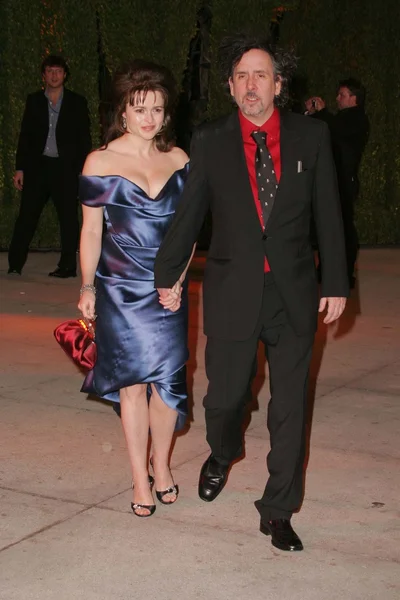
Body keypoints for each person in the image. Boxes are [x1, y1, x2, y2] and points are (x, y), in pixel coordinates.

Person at [154, 34, 349, 551]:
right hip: (232, 290)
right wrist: (164, 273)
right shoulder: (212, 139)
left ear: (278, 84)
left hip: (293, 293)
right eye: (241, 76)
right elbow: (190, 212)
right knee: (223, 399)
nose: (250, 84)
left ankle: (278, 509)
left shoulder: (311, 136)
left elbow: (329, 212)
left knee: (290, 407)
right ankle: (222, 452)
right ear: (230, 87)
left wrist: (335, 281)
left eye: (260, 74)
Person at [78, 60, 190, 518]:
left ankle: (161, 467)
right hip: (122, 290)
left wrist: (179, 279)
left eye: (157, 110)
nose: (149, 118)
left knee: (168, 387)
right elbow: (90, 232)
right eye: (139, 108)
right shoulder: (100, 161)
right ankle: (139, 479)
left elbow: (187, 229)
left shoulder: (179, 159)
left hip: (170, 289)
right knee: (132, 387)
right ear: (122, 111)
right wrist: (87, 286)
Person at [8, 55, 91, 277]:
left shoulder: (77, 102)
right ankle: (15, 263)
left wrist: (84, 170)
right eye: (50, 71)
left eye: (58, 71)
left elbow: (84, 138)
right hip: (38, 167)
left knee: (68, 218)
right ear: (43, 75)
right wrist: (20, 168)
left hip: (65, 168)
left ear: (65, 74)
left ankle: (67, 266)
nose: (54, 75)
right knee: (27, 215)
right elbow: (25, 137)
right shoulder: (34, 100)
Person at [305, 78, 369, 287]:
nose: (337, 99)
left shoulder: (357, 119)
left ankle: (344, 274)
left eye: (342, 95)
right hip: (335, 181)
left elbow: (334, 128)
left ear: (354, 98)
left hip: (344, 183)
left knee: (343, 230)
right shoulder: (343, 119)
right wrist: (314, 114)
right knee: (330, 228)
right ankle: (326, 271)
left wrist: (321, 113)